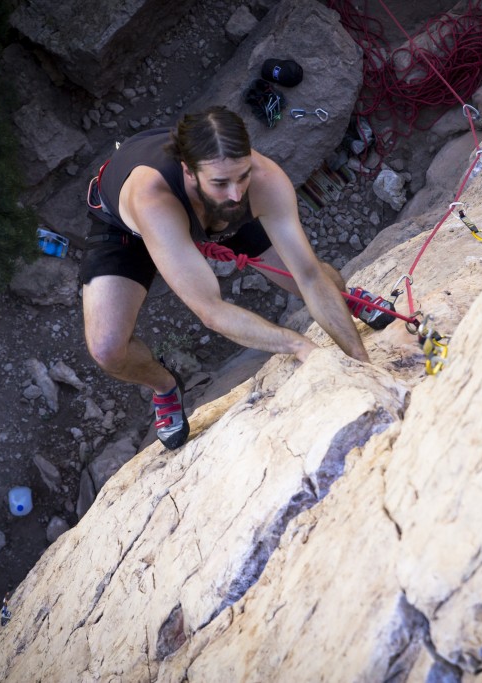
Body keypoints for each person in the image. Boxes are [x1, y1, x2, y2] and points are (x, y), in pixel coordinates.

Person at [81, 106, 394, 449]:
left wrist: (362, 365)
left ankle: (349, 299)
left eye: (242, 176)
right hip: (129, 229)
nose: (236, 193)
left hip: (216, 220)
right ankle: (165, 386)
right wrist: (299, 346)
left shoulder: (260, 180)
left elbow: (308, 275)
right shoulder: (152, 196)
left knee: (324, 283)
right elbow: (210, 310)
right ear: (188, 171)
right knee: (108, 349)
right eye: (221, 182)